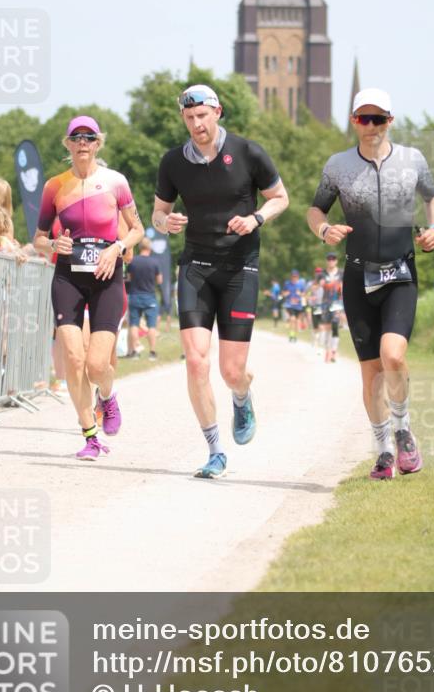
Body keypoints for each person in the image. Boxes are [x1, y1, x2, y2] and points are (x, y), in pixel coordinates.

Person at [307, 88, 434, 481]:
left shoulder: (411, 160)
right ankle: (383, 449)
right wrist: (324, 229)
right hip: (357, 275)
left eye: (378, 119)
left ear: (390, 121)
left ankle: (403, 429)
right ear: (353, 122)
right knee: (370, 372)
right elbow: (316, 209)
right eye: (363, 119)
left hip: (401, 272)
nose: (371, 126)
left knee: (394, 356)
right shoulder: (339, 165)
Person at [152, 84, 289, 479]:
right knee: (196, 362)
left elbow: (280, 197)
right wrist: (167, 222)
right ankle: (215, 450)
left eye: (202, 116)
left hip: (238, 266)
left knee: (231, 372)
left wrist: (256, 218)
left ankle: (242, 396)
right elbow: (158, 213)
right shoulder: (173, 162)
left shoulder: (248, 152)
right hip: (195, 264)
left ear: (217, 113)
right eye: (190, 118)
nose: (197, 124)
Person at [33, 116, 144, 460]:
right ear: (67, 144)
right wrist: (53, 246)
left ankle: (107, 397)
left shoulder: (115, 182)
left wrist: (117, 247)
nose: (83, 143)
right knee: (73, 358)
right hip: (68, 276)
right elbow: (38, 238)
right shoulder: (55, 186)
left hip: (107, 276)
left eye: (90, 137)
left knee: (97, 365)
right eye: (76, 137)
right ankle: (90, 436)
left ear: (98, 143)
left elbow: (137, 230)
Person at [126, 236, 163, 360]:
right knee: (152, 326)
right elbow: (160, 280)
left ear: (140, 247)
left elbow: (129, 278)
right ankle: (152, 353)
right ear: (149, 248)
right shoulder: (154, 262)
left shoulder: (133, 261)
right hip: (149, 297)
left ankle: (135, 352)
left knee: (134, 324)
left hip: (135, 295)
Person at [321, 253, 344, 363]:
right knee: (327, 328)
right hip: (326, 302)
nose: (331, 261)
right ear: (327, 261)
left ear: (336, 261)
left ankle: (334, 351)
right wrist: (322, 284)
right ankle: (327, 350)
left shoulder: (341, 273)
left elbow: (345, 287)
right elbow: (315, 286)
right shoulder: (322, 273)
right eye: (329, 259)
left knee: (335, 325)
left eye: (333, 259)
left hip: (337, 302)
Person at [282, 270, 305, 342]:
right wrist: (286, 293)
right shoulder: (287, 284)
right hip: (290, 305)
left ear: (298, 277)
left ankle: (294, 335)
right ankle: (291, 335)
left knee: (296, 321)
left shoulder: (301, 284)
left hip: (298, 305)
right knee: (293, 319)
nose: (294, 278)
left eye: (295, 276)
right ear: (291, 277)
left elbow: (304, 294)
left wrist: (300, 294)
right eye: (293, 276)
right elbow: (283, 293)